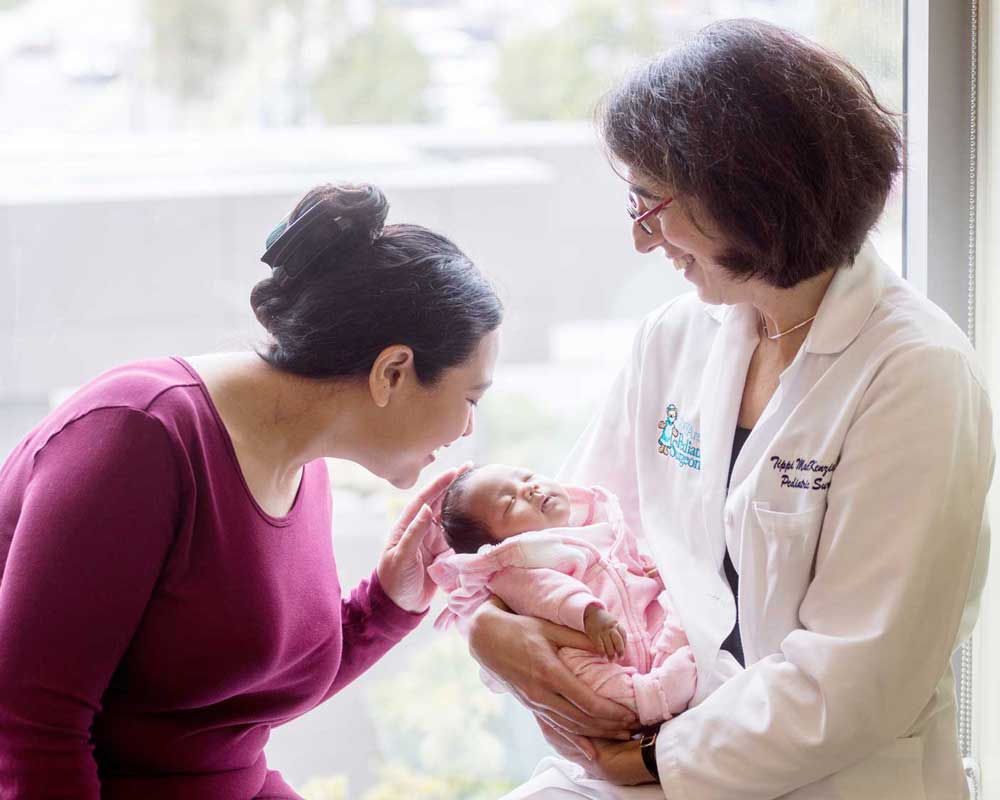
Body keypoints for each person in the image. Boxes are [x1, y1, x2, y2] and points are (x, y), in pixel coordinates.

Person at [466, 19, 994, 800]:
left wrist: (656, 760)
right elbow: (573, 536)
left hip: (820, 776)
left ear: (748, 194)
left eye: (652, 203)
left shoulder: (914, 373)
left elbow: (859, 677)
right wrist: (494, 633)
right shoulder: (675, 337)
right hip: (644, 745)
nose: (644, 240)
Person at [0, 183, 503, 799]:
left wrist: (387, 606)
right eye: (470, 399)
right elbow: (30, 729)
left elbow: (232, 701)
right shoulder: (137, 436)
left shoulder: (300, 462)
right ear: (393, 371)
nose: (468, 429)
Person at [428, 464, 697, 727]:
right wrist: (588, 612)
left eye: (527, 476)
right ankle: (649, 697)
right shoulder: (519, 565)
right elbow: (547, 590)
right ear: (496, 545)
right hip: (591, 642)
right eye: (509, 504)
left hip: (644, 620)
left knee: (677, 605)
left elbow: (628, 557)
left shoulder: (597, 523)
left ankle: (673, 653)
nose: (529, 490)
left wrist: (653, 570)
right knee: (579, 670)